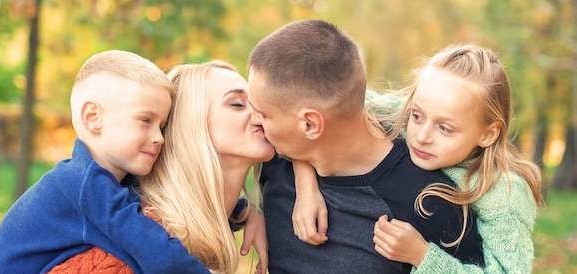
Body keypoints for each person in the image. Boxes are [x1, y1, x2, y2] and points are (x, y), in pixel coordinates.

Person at [247, 19, 485, 273]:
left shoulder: (430, 203)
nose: (252, 119)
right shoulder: (274, 156)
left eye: (263, 114)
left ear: (310, 124)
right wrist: (247, 213)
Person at [293, 44, 544, 273]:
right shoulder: (396, 115)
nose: (422, 136)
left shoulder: (504, 192)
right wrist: (306, 187)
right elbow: (312, 108)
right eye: (417, 116)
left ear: (488, 134)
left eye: (445, 128)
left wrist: (422, 255)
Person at [0, 50, 208, 274]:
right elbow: (161, 257)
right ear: (93, 118)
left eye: (161, 126)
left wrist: (239, 212)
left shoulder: (105, 181)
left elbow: (167, 200)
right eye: (145, 120)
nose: (159, 137)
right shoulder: (83, 186)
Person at [48, 60, 275, 274]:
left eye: (258, 104)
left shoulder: (191, 227)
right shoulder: (133, 245)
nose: (261, 115)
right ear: (188, 126)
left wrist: (248, 213)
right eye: (237, 104)